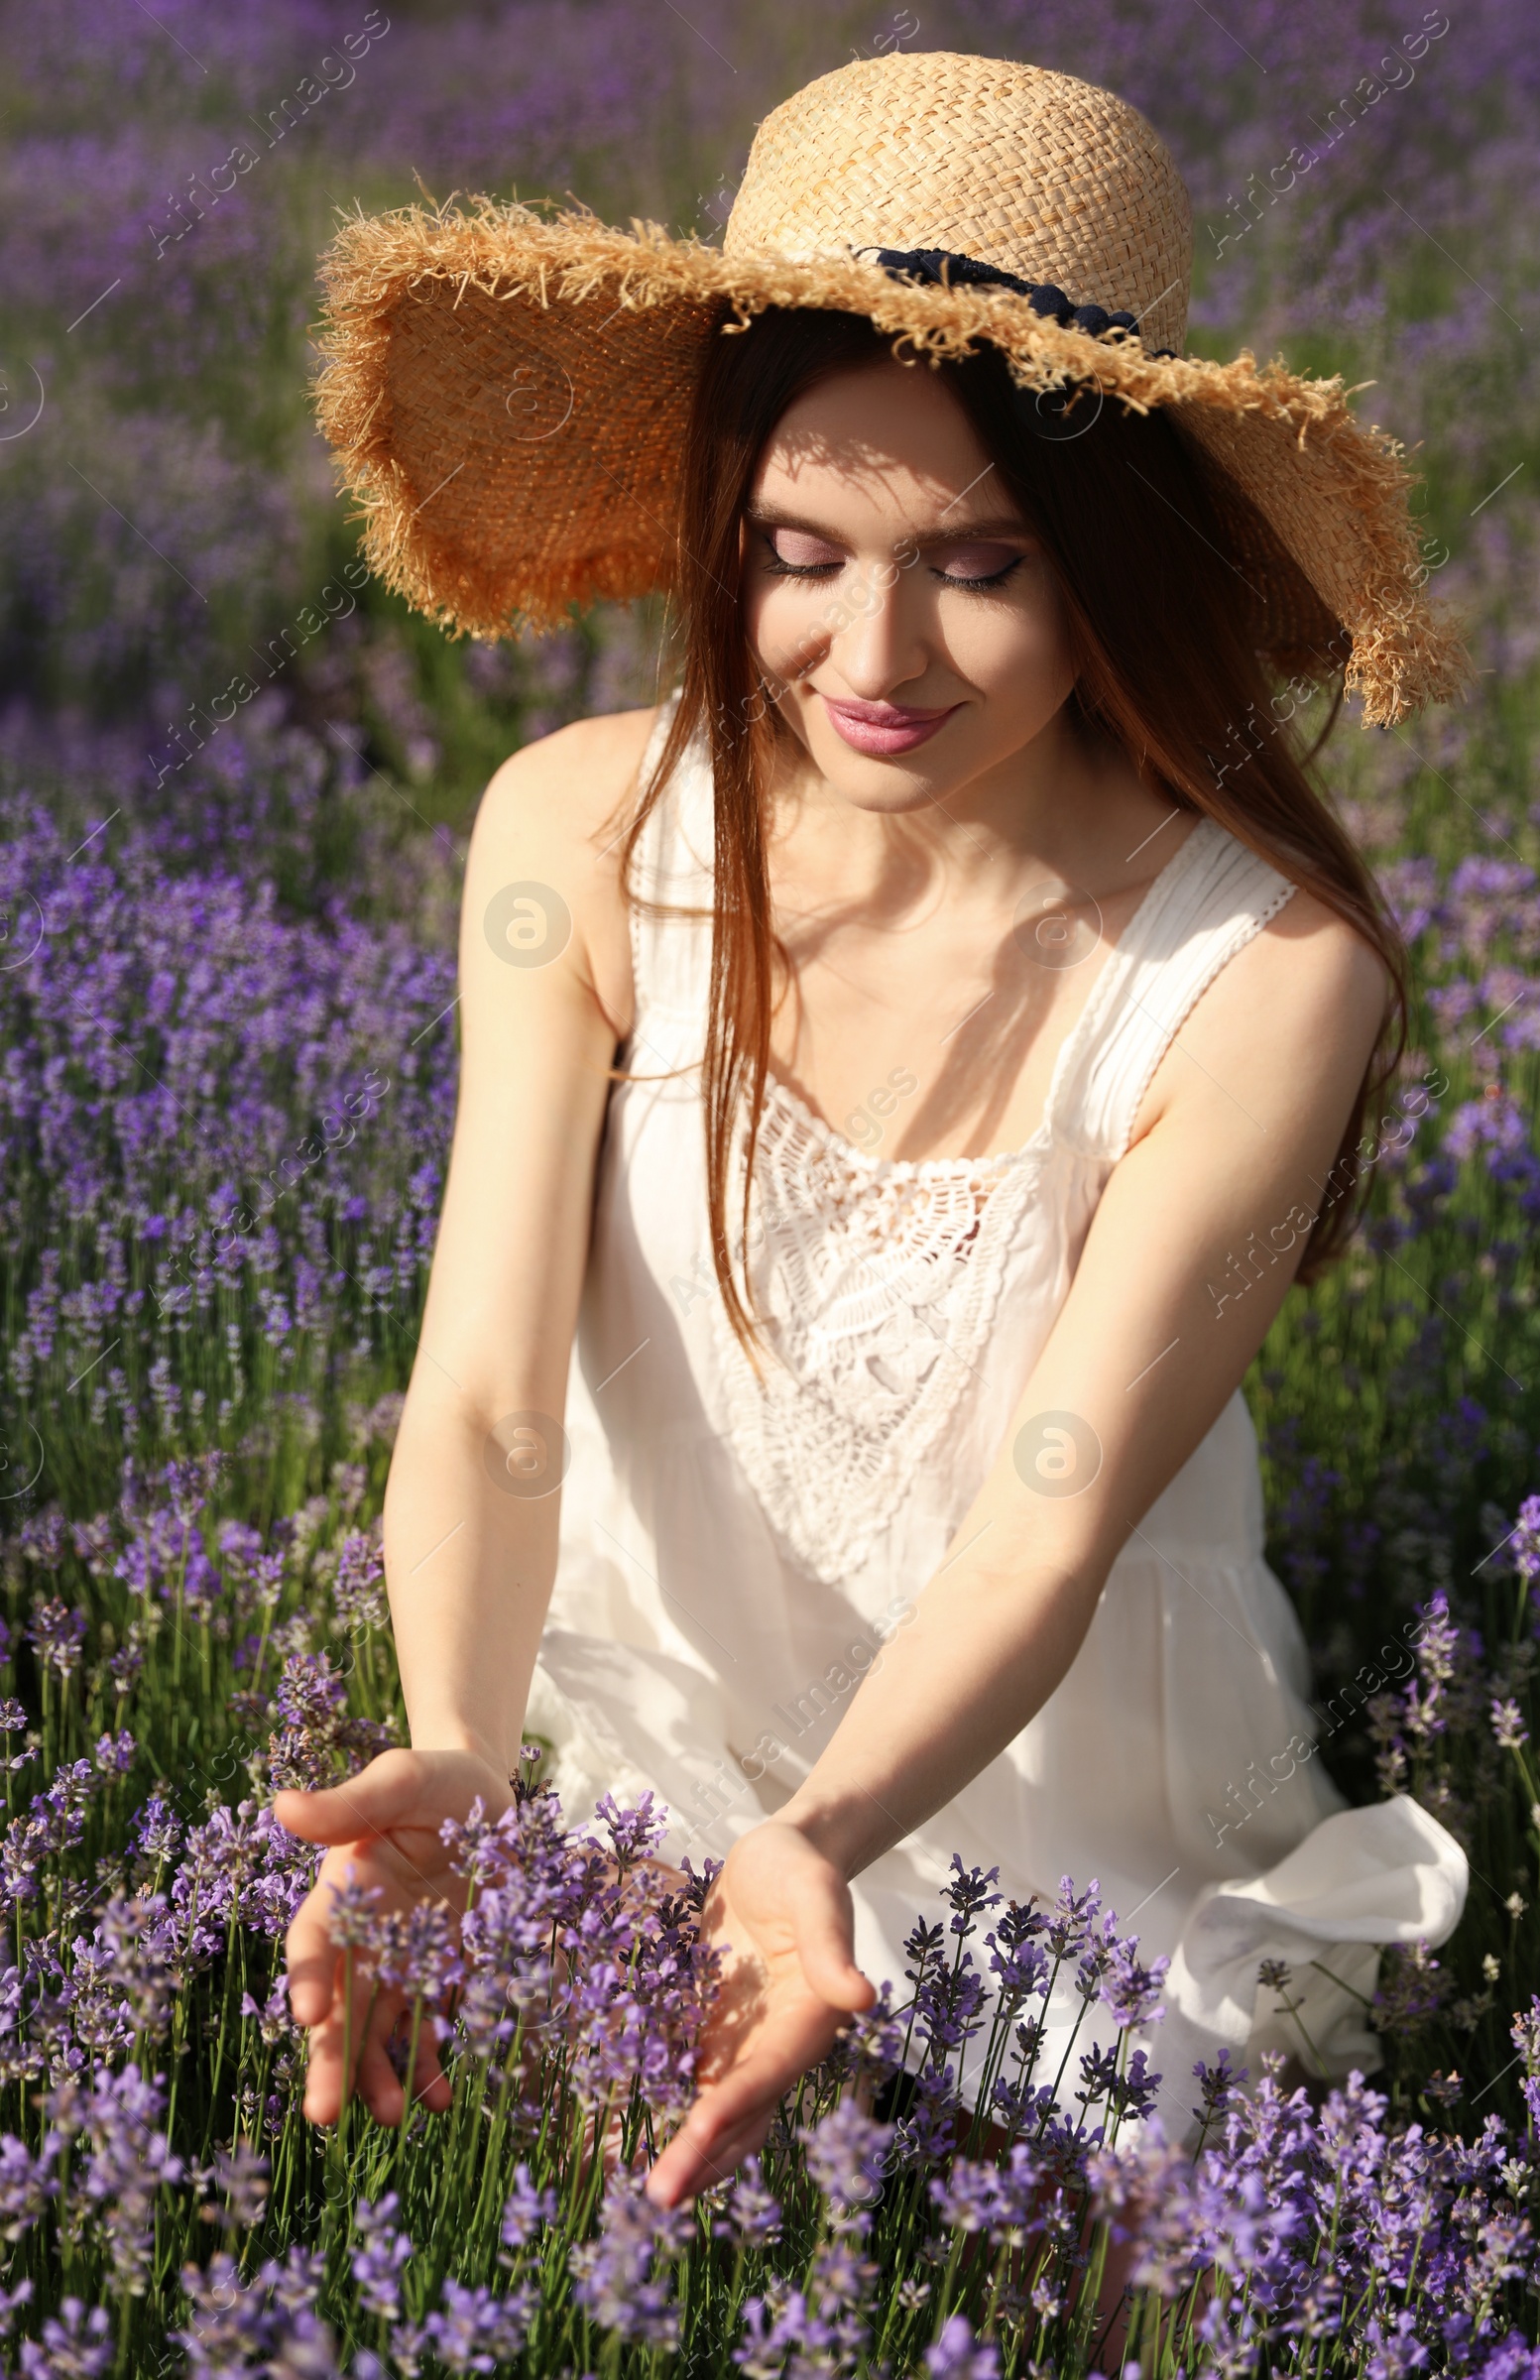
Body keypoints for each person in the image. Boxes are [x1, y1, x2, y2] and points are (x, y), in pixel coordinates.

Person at [277, 49, 1471, 2213]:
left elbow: (1050, 1515)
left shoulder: (1260, 971)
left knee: (1123, 2234)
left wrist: (820, 1838)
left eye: (980, 567)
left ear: (1114, 560)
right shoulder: (575, 832)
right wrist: (457, 1742)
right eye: (797, 554)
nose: (871, 656)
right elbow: (482, 1404)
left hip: (1059, 1761)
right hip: (670, 1718)